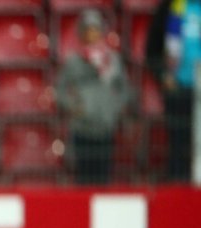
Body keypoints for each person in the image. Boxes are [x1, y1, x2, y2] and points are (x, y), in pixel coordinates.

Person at [56, 9, 130, 185]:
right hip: (82, 128)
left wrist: (114, 107)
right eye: (87, 30)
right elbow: (60, 90)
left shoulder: (113, 60)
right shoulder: (74, 61)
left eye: (95, 29)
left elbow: (124, 89)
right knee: (83, 177)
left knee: (104, 176)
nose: (92, 34)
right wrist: (74, 106)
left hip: (105, 128)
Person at [147, 0, 200, 182]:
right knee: (179, 145)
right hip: (178, 89)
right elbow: (152, 49)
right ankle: (178, 190)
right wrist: (164, 76)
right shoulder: (170, 7)